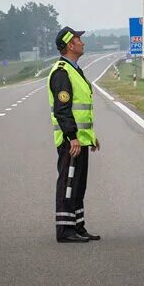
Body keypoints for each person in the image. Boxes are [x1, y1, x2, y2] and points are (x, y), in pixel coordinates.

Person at [48, 26, 101, 243]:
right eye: (79, 39)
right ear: (70, 44)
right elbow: (63, 109)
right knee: (68, 184)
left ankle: (78, 227)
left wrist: (91, 135)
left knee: (78, 185)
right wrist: (72, 137)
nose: (82, 42)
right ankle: (65, 230)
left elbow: (82, 109)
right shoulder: (62, 72)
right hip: (71, 142)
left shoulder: (74, 69)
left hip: (81, 140)